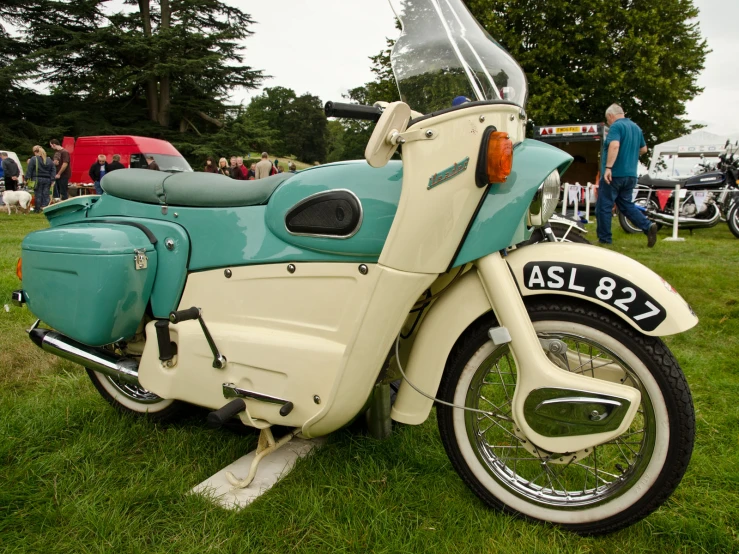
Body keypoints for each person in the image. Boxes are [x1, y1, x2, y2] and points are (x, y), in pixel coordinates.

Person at [596, 103, 658, 247]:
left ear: (611, 116)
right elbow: (643, 149)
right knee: (626, 205)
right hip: (631, 174)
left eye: (607, 119)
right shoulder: (636, 128)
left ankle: (604, 239)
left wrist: (608, 167)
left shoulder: (616, 127)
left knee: (604, 206)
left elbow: (614, 145)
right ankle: (647, 226)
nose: (608, 122)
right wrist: (629, 155)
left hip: (614, 174)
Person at [26, 146, 55, 212]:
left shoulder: (34, 159)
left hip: (37, 179)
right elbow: (53, 170)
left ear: (36, 152)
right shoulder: (49, 160)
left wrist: (27, 178)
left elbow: (29, 169)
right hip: (47, 179)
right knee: (46, 194)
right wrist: (52, 179)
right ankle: (46, 208)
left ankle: (37, 209)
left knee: (38, 194)